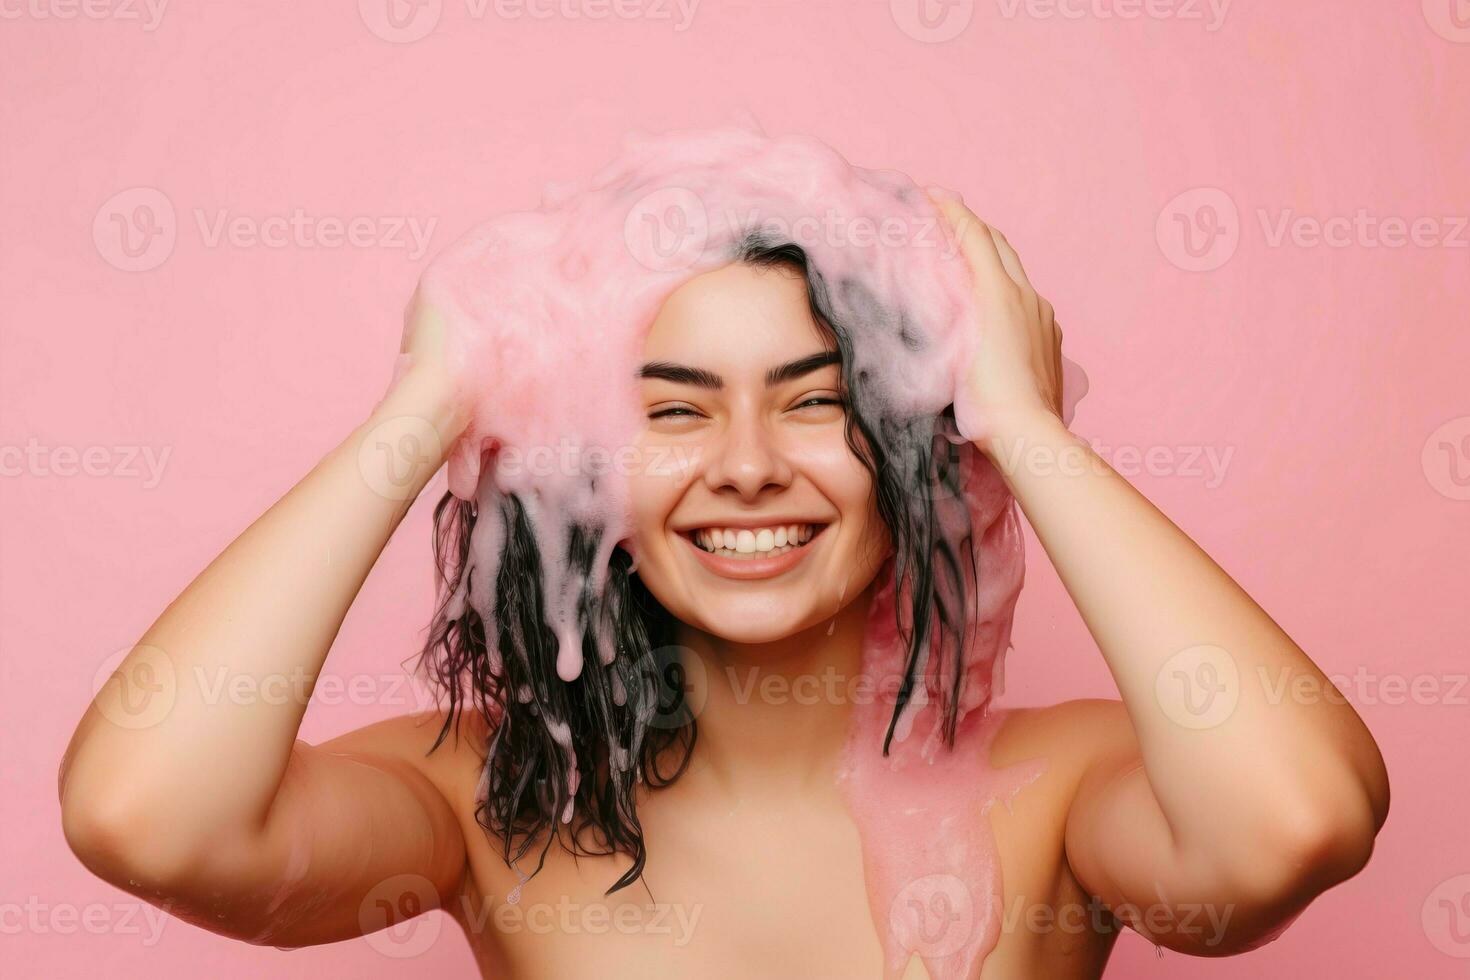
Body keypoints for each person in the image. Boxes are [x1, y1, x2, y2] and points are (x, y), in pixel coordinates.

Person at [59, 190, 1389, 979]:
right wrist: (420, 413)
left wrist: (1025, 427)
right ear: (586, 479)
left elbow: (1297, 823)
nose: (748, 469)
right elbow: (147, 820)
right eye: (672, 414)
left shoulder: (1060, 790)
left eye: (819, 405)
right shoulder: (481, 801)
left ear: (917, 453)